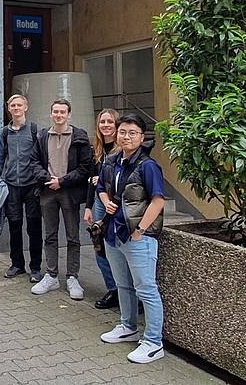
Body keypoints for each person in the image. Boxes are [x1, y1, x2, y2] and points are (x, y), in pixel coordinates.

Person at [97, 113, 166, 364]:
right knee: (123, 285)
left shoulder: (148, 165)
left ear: (141, 136)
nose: (126, 137)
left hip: (137, 237)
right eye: (122, 132)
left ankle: (153, 342)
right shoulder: (112, 161)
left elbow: (158, 199)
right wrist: (106, 204)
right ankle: (128, 326)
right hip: (113, 234)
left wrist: (141, 230)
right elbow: (101, 188)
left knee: (146, 289)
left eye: (132, 133)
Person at [30, 98, 92, 300]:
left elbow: (85, 168)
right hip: (48, 191)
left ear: (69, 114)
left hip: (69, 192)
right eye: (55, 111)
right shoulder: (41, 136)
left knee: (73, 236)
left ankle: (73, 277)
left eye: (62, 112)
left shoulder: (79, 136)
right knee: (50, 235)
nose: (59, 115)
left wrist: (63, 181)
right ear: (50, 114)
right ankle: (51, 275)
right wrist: (48, 179)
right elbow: (34, 162)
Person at [0, 94, 44, 282]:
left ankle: (35, 267)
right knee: (15, 226)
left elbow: (42, 157)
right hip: (11, 185)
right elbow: (0, 158)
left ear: (26, 107)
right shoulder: (4, 133)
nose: (16, 108)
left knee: (34, 227)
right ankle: (17, 264)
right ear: (9, 108)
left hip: (32, 185)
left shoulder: (35, 131)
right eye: (13, 105)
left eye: (19, 105)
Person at [83, 109, 121, 309]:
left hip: (117, 203)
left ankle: (128, 292)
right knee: (99, 246)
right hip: (99, 202)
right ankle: (113, 289)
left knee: (117, 247)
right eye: (102, 122)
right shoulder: (97, 150)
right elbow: (91, 180)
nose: (105, 125)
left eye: (110, 122)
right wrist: (88, 207)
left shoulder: (122, 150)